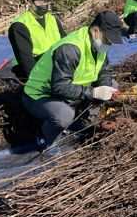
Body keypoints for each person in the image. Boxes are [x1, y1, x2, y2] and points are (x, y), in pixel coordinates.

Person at [22, 11, 124, 150]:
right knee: (63, 115)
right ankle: (44, 139)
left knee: (112, 85)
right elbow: (59, 87)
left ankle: (82, 121)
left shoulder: (98, 45)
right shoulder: (70, 49)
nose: (108, 44)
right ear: (95, 31)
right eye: (107, 40)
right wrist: (94, 93)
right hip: (42, 95)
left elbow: (104, 70)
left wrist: (105, 88)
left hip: (71, 92)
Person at [8, 0, 67, 81]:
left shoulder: (52, 19)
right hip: (33, 65)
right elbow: (25, 59)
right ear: (30, 2)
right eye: (41, 4)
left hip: (52, 60)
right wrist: (37, 80)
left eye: (47, 3)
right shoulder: (19, 26)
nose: (45, 7)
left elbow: (65, 41)